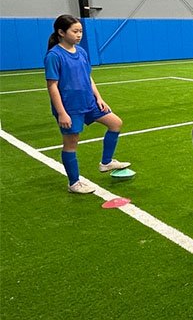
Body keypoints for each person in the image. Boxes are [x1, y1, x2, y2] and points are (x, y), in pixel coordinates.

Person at [44, 14, 130, 194]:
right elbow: (52, 86)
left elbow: (88, 77)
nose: (79, 35)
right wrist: (61, 113)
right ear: (61, 32)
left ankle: (106, 162)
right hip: (70, 107)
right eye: (75, 31)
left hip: (89, 102)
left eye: (80, 31)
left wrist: (99, 98)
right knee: (71, 143)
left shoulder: (81, 52)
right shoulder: (54, 55)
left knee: (115, 123)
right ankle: (73, 183)